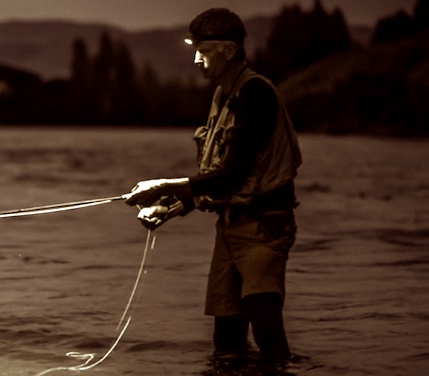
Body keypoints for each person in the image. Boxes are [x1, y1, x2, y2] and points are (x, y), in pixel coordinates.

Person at [123, 8, 302, 367]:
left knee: (268, 337)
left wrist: (162, 186)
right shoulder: (222, 96)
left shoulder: (256, 94)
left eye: (203, 51)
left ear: (230, 51)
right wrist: (170, 208)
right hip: (230, 229)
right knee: (227, 344)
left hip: (264, 229)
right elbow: (215, 178)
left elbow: (234, 174)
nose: (195, 59)